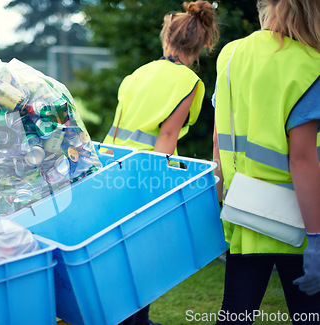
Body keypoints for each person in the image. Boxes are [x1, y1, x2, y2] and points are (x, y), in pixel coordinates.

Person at [103, 1, 220, 324]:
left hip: (110, 170)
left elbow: (118, 128)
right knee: (142, 256)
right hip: (144, 175)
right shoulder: (189, 83)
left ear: (166, 37)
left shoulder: (138, 73)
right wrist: (158, 191)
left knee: (117, 255)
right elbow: (167, 138)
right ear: (202, 44)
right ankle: (137, 320)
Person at [212, 0, 320, 324]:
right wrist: (316, 238)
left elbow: (218, 139)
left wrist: (217, 202)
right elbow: (302, 159)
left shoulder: (230, 54)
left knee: (236, 313)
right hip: (298, 219)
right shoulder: (311, 64)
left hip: (244, 210)